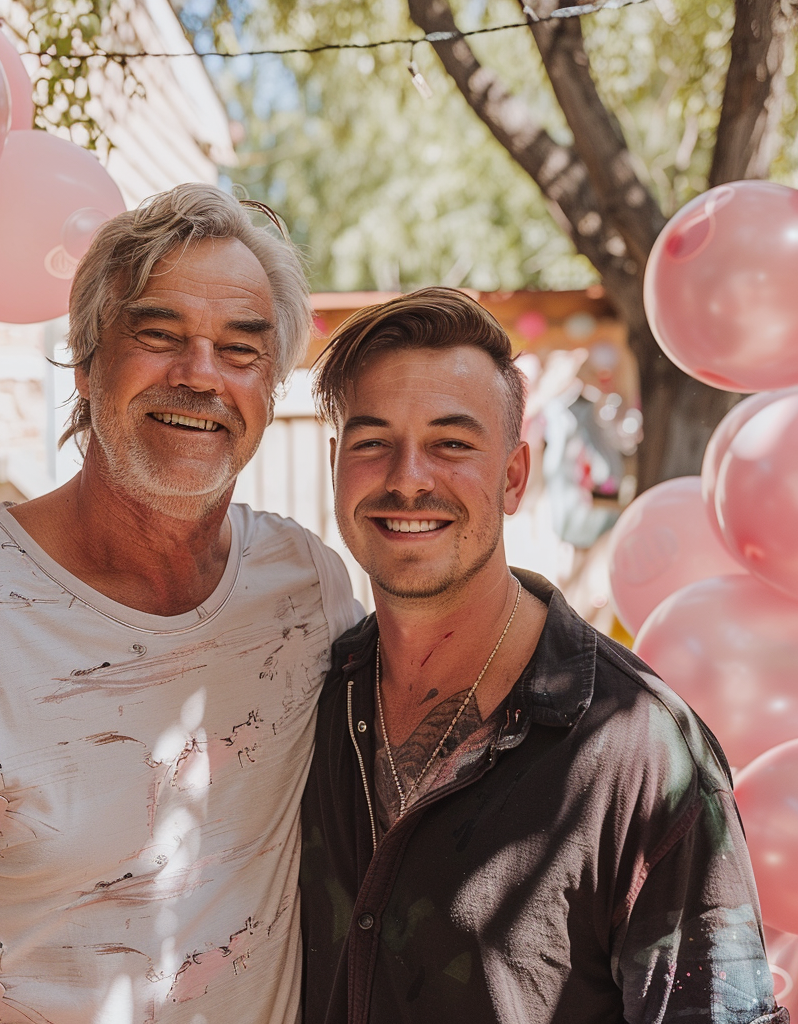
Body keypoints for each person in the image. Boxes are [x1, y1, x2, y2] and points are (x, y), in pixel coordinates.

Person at [0, 184, 360, 1024]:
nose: (200, 375)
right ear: (86, 362)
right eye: (159, 336)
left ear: (271, 388)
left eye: (242, 350)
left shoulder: (305, 586)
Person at [299, 288, 787, 1024]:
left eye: (452, 443)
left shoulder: (639, 754)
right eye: (372, 442)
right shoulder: (308, 698)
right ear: (337, 466)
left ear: (516, 476)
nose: (407, 477)